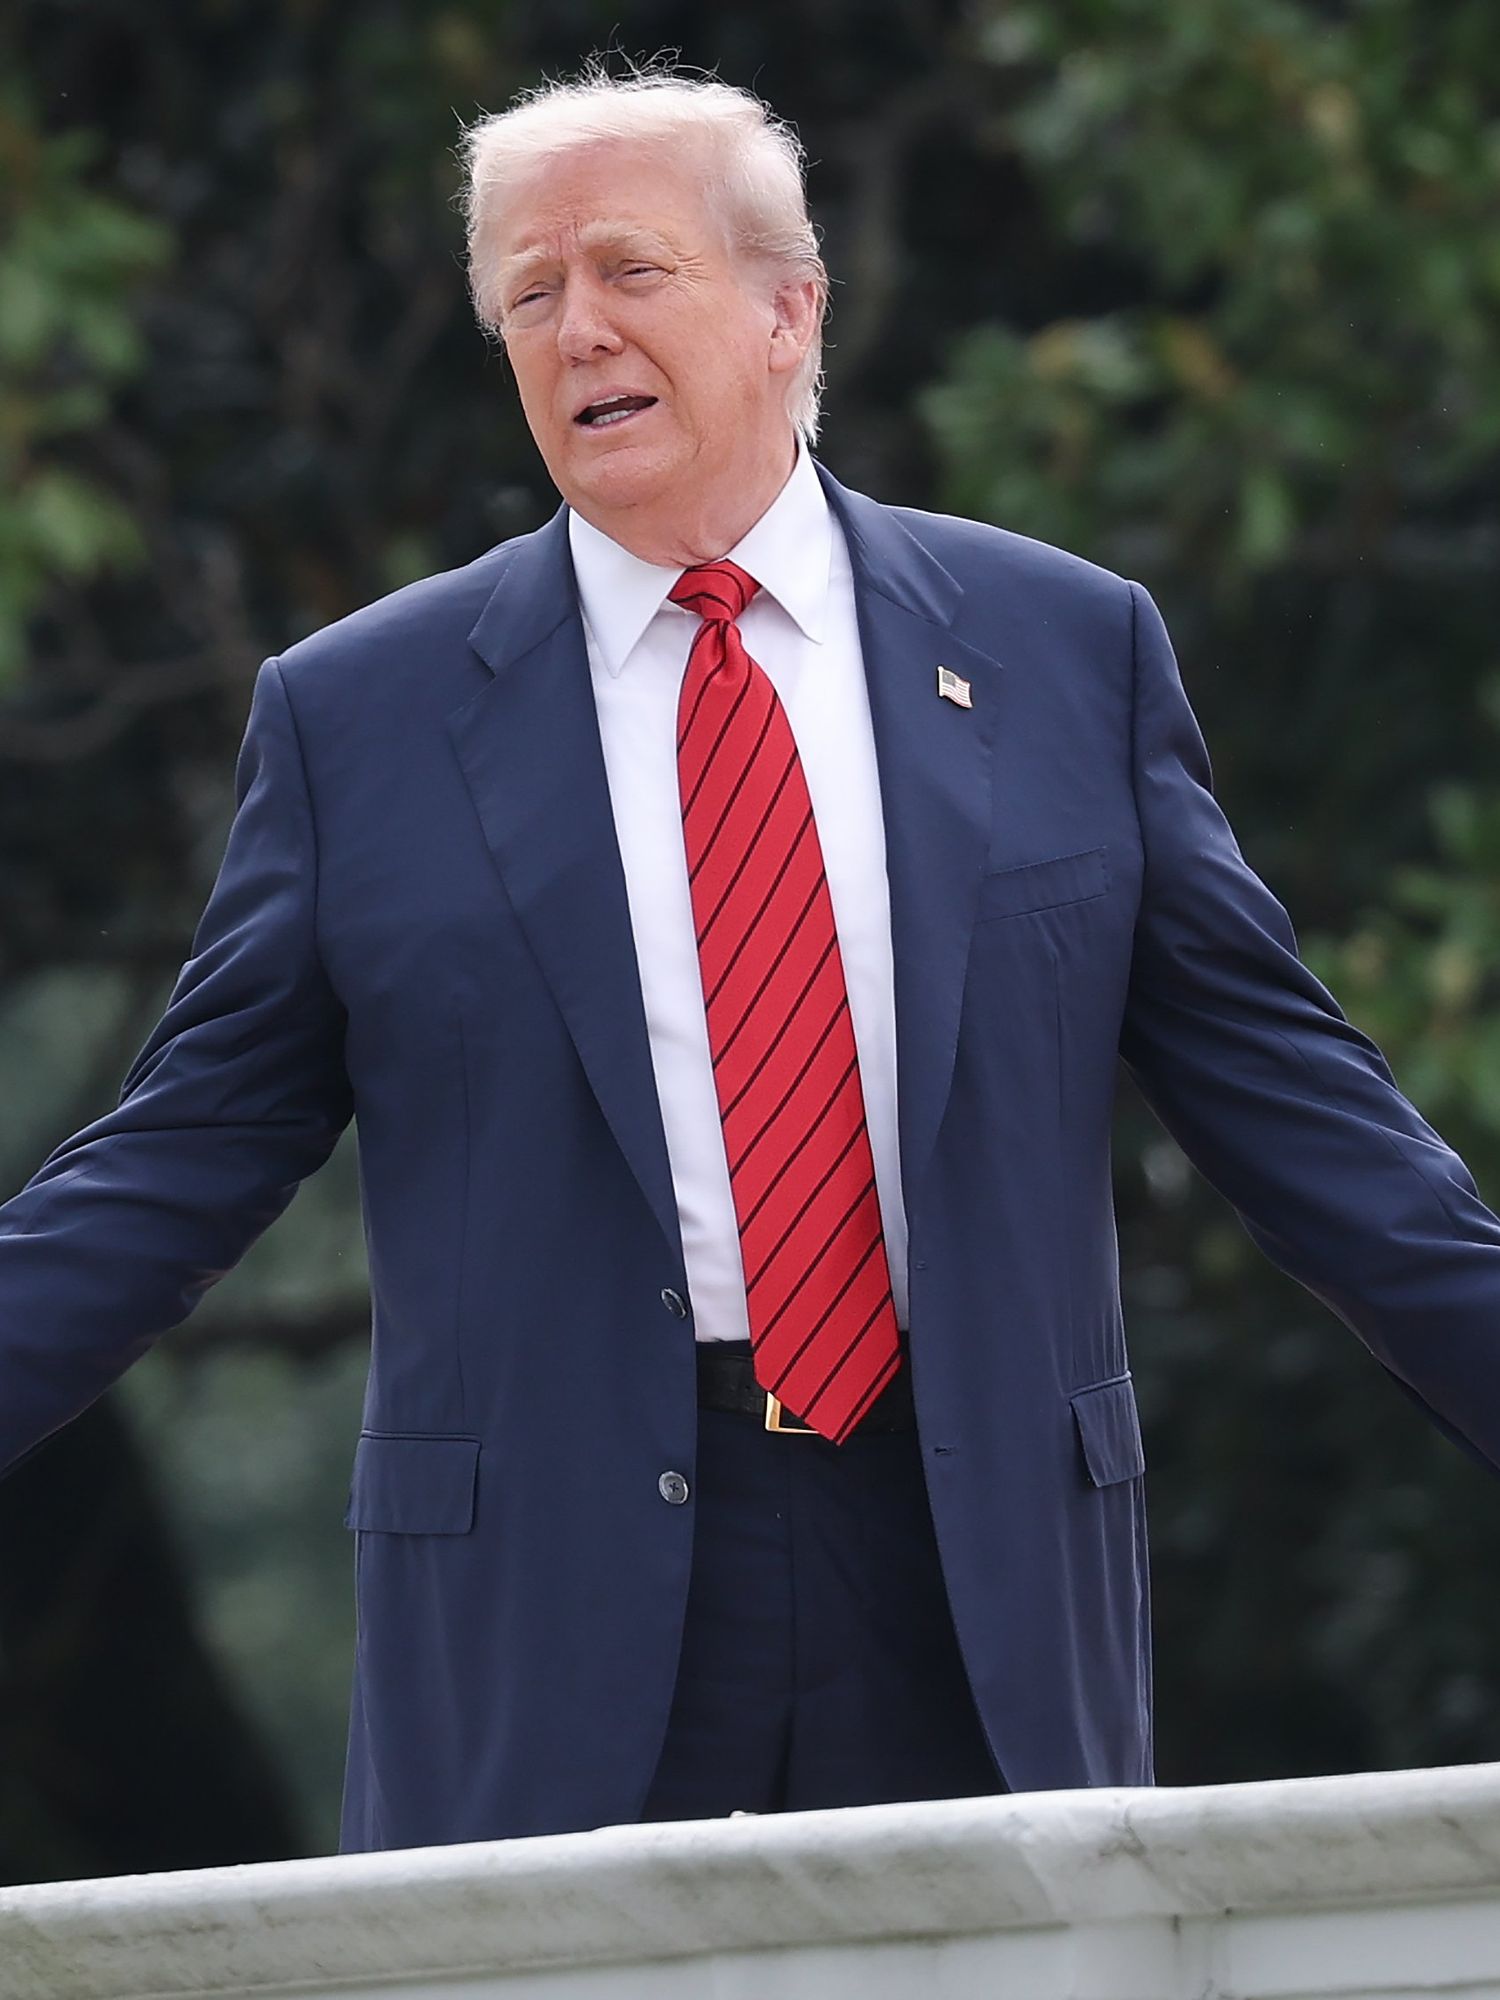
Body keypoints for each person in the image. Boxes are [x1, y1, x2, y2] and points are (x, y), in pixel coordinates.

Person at [4, 64, 1500, 1854]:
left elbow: (1313, 1126)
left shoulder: (1063, 651)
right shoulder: (359, 719)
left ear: (792, 308)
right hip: (555, 1594)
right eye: (527, 295)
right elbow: (177, 1157)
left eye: (629, 270)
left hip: (972, 1567)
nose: (575, 331)